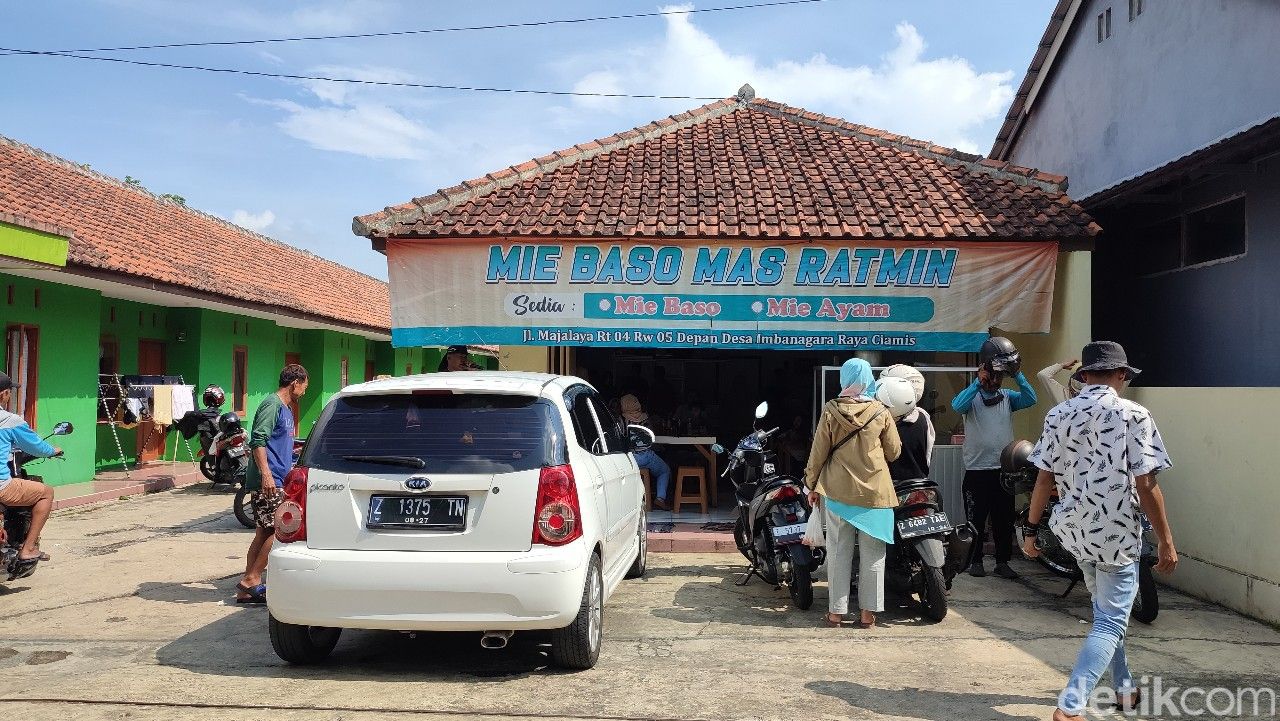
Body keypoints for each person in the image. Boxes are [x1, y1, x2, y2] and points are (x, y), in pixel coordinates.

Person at [1024, 341, 1177, 720]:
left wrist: (1030, 531)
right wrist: (1167, 541)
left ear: (1085, 375)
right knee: (1110, 620)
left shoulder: (1059, 414)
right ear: (1122, 375)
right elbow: (1147, 485)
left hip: (1074, 531)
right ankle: (1070, 707)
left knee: (1106, 613)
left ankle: (1124, 689)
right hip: (1117, 534)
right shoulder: (1134, 415)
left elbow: (1043, 479)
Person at [804, 358, 901, 629]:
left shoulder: (831, 410)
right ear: (869, 378)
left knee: (838, 552)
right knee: (873, 554)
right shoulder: (881, 411)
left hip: (837, 493)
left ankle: (836, 613)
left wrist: (811, 485)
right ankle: (868, 614)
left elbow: (818, 452)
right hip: (875, 495)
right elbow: (894, 451)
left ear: (845, 379)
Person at [951, 336, 1037, 579]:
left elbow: (1031, 398)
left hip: (1004, 471)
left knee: (1003, 520)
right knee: (975, 520)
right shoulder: (972, 398)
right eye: (992, 376)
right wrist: (977, 383)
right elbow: (957, 406)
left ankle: (1002, 562)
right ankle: (975, 561)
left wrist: (1018, 374)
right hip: (977, 471)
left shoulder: (1008, 397)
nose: (995, 381)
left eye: (999, 376)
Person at [236, 364, 308, 604]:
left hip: (279, 478)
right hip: (270, 480)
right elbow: (258, 440)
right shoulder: (273, 404)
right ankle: (251, 579)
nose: (305, 391)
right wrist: (266, 474)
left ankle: (247, 587)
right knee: (279, 530)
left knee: (264, 531)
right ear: (295, 383)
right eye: (304, 386)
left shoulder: (286, 409)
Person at [0, 372, 59, 579]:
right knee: (46, 493)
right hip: (2, 487)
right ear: (4, 394)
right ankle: (28, 549)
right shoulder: (10, 420)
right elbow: (36, 446)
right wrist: (53, 451)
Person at [620, 394, 673, 510]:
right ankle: (660, 498)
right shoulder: (645, 419)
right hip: (646, 457)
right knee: (664, 470)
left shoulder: (621, 421)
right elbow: (651, 438)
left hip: (630, 459)